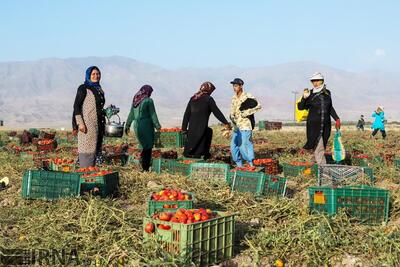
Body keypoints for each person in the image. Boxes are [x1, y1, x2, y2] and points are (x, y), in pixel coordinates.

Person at [297, 72, 341, 165]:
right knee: (319, 147)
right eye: (313, 81)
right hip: (313, 126)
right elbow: (300, 107)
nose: (315, 83)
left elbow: (330, 108)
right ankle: (324, 170)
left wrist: (337, 118)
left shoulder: (327, 93)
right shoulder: (310, 93)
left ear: (322, 81)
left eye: (317, 80)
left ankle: (313, 166)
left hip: (326, 125)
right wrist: (304, 98)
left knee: (321, 146)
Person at [182, 82, 231, 159]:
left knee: (206, 132)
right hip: (201, 130)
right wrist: (225, 122)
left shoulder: (193, 98)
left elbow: (186, 114)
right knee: (208, 132)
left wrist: (184, 129)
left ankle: (192, 153)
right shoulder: (208, 99)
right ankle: (203, 154)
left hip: (191, 130)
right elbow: (217, 112)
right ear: (209, 90)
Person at [73, 66, 106, 168]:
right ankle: (85, 174)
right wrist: (80, 124)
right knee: (87, 150)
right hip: (87, 125)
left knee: (95, 150)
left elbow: (97, 107)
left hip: (98, 125)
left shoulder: (99, 89)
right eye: (93, 74)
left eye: (98, 74)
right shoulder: (83, 88)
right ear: (88, 76)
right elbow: (76, 106)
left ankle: (92, 176)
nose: (96, 76)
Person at [125, 85, 161, 171]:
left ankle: (140, 165)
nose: (150, 94)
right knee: (148, 146)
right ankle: (145, 167)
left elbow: (131, 114)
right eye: (150, 92)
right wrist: (158, 126)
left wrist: (127, 125)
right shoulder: (149, 101)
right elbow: (153, 114)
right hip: (146, 125)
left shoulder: (135, 100)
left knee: (142, 144)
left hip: (136, 125)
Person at [229, 78, 262, 167]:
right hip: (236, 126)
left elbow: (258, 106)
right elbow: (232, 111)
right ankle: (239, 165)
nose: (234, 88)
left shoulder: (248, 96)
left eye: (236, 86)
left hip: (245, 125)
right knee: (233, 147)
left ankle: (251, 163)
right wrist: (231, 117)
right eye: (233, 86)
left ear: (241, 86)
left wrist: (246, 113)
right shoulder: (233, 98)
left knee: (245, 145)